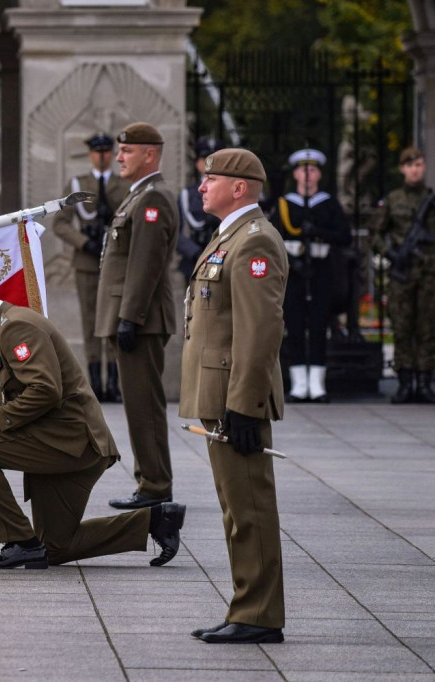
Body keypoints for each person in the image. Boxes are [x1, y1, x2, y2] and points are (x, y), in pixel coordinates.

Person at [0, 274, 185, 569]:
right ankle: (156, 520)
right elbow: (20, 391)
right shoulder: (6, 328)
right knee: (54, 547)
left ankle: (19, 541)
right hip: (63, 439)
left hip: (70, 442)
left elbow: (45, 390)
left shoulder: (16, 327)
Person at [179, 148, 288, 644]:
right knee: (234, 506)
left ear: (239, 187)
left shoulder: (255, 242)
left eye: (210, 179)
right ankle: (247, 606)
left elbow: (260, 331)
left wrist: (244, 403)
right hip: (216, 393)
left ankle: (259, 613)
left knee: (249, 506)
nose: (201, 187)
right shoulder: (230, 237)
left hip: (233, 397)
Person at [95, 122, 178, 510]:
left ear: (150, 154)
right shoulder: (138, 196)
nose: (120, 157)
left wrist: (130, 317)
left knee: (144, 405)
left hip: (140, 321)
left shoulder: (153, 198)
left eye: (128, 151)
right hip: (131, 317)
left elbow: (145, 264)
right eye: (120, 150)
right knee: (138, 404)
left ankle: (155, 486)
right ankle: (150, 480)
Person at [51, 132, 127, 401]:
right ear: (91, 154)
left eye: (107, 151)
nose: (103, 155)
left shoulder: (123, 184)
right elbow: (59, 223)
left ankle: (115, 383)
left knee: (114, 321)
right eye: (98, 151)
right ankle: (96, 382)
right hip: (87, 261)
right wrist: (83, 242)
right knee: (91, 321)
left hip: (115, 263)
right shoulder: (78, 184)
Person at [270, 148, 351, 403]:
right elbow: (271, 238)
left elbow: (344, 236)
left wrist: (319, 230)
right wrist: (292, 260)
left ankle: (317, 385)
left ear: (319, 174)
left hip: (320, 270)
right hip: (294, 272)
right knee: (294, 325)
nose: (308, 174)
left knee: (318, 326)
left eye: (313, 170)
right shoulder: (284, 204)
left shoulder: (328, 203)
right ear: (295, 173)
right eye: (304, 170)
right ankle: (298, 385)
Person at [372, 147, 435, 404]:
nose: (415, 169)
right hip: (402, 273)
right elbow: (375, 233)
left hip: (429, 273)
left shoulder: (431, 200)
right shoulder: (393, 199)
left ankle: (425, 381)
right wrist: (391, 253)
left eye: (419, 164)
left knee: (428, 328)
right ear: (402, 169)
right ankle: (405, 381)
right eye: (410, 165)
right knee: (401, 328)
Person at [176, 137, 222, 281]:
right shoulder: (187, 195)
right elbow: (176, 233)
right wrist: (196, 253)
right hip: (195, 260)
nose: (211, 163)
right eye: (206, 158)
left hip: (225, 258)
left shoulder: (233, 192)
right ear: (198, 163)